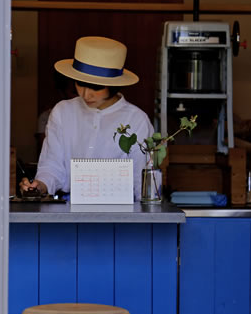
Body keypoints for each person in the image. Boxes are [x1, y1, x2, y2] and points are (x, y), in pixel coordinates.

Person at [20, 36, 153, 200]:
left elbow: (141, 182)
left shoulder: (136, 120)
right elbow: (52, 165)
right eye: (80, 83)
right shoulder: (63, 111)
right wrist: (39, 186)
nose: (85, 94)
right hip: (67, 210)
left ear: (114, 84)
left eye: (96, 87)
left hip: (120, 213)